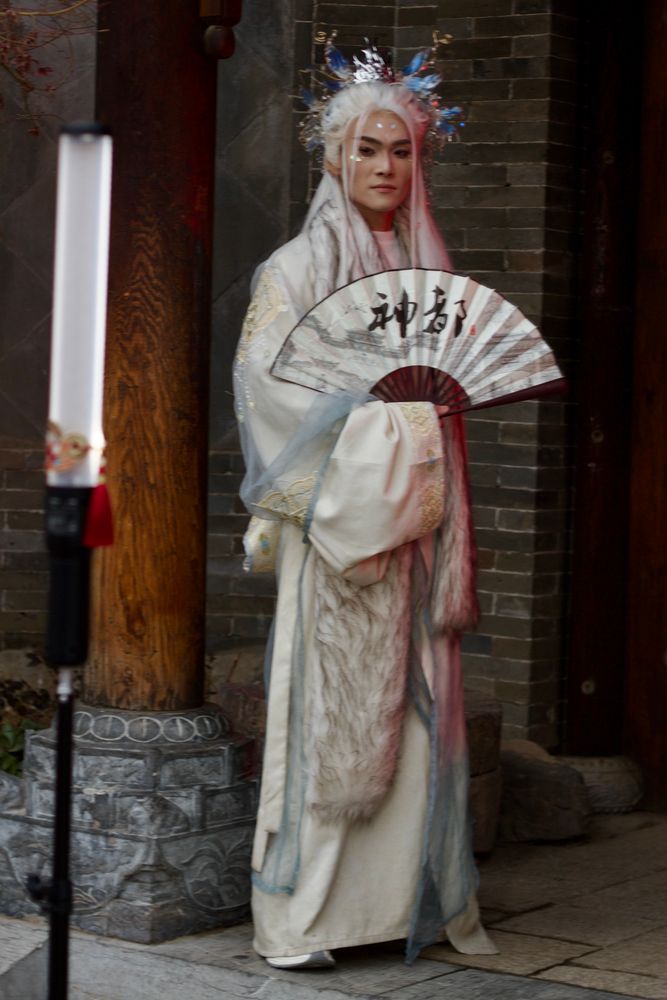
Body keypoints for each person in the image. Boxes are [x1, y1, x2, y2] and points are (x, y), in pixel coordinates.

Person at [233, 40, 498, 970]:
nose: (385, 168)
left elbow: (443, 391)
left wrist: (422, 430)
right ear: (333, 159)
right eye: (367, 150)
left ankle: (399, 907)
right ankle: (306, 921)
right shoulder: (294, 272)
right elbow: (274, 399)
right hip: (346, 533)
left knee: (425, 709)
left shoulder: (429, 265)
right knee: (331, 710)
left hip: (416, 529)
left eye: (402, 152)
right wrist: (401, 436)